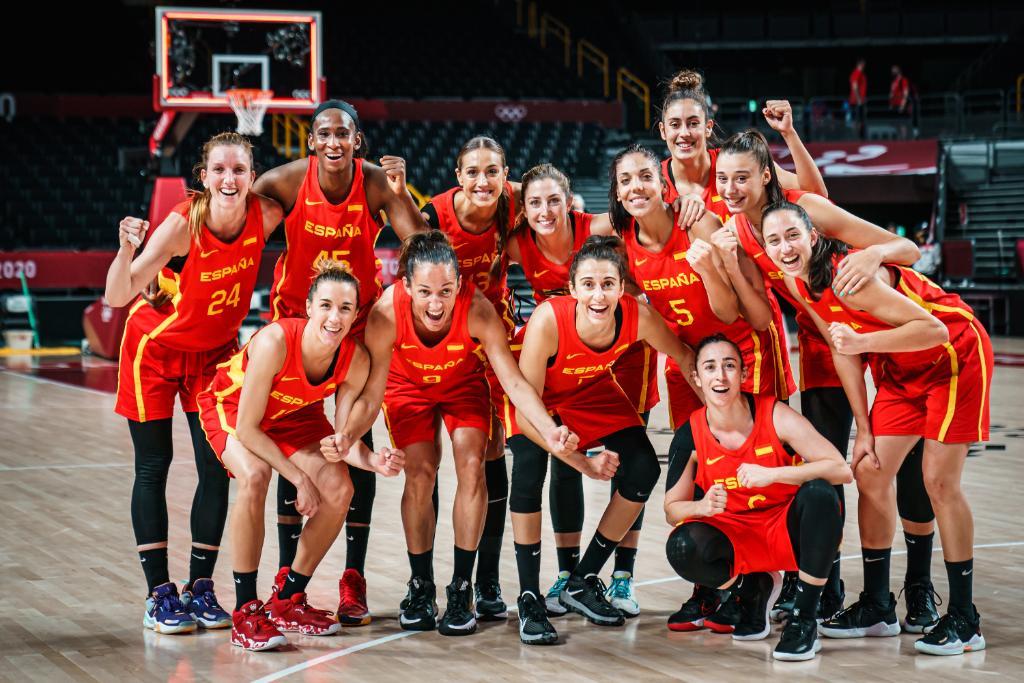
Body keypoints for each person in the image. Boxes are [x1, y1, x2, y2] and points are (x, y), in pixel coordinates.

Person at [714, 129, 939, 631]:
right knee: (829, 462)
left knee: (905, 465)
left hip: (886, 331)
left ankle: (920, 587)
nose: (730, 189)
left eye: (741, 178)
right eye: (723, 179)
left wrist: (875, 254)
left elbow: (909, 250)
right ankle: (825, 582)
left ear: (766, 176)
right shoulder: (740, 232)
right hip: (826, 344)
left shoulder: (807, 210)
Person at [761, 200, 993, 656]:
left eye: (793, 236)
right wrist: (863, 428)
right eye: (773, 240)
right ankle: (877, 604)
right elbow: (841, 350)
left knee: (938, 483)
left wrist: (864, 340)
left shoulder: (853, 280)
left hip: (954, 360)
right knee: (868, 469)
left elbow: (934, 331)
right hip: (901, 370)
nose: (785, 247)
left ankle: (966, 619)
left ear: (813, 237)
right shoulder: (797, 280)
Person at [330, 230, 577, 637]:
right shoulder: (385, 315)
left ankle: (462, 587)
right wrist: (346, 435)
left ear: (459, 285)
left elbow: (514, 384)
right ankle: (421, 584)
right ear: (405, 284)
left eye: (446, 290)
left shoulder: (478, 311)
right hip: (406, 387)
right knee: (421, 472)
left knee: (471, 465)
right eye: (425, 291)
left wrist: (549, 431)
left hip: (462, 384)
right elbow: (371, 396)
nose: (435, 302)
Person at [254, 99, 426, 626]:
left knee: (357, 439)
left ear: (357, 141)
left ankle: (353, 577)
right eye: (324, 133)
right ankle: (290, 575)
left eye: (343, 134)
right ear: (311, 141)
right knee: (298, 442)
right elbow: (238, 236)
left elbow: (419, 241)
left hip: (356, 322)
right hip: (298, 324)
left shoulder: (374, 183)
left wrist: (401, 196)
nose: (333, 141)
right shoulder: (282, 182)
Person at [105, 131, 283, 634]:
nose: (230, 179)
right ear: (203, 178)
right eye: (220, 170)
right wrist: (124, 250)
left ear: (252, 177)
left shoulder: (266, 215)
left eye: (239, 170)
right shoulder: (182, 225)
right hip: (154, 352)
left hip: (214, 358)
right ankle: (159, 593)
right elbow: (119, 295)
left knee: (216, 467)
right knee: (153, 466)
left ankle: (200, 587)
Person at [197, 261, 405, 651]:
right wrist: (298, 477)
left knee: (341, 489)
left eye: (345, 308)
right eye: (326, 305)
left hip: (295, 415)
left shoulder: (355, 360)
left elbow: (340, 439)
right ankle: (245, 611)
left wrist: (375, 461)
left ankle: (287, 598)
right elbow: (248, 429)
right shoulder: (276, 341)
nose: (334, 317)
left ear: (356, 313)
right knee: (256, 476)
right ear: (308, 306)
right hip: (235, 409)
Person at [510, 235, 700, 644]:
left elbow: (683, 353)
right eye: (590, 285)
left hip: (591, 388)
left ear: (621, 286)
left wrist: (715, 407)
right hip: (534, 397)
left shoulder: (637, 315)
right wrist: (580, 459)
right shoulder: (548, 319)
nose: (599, 294)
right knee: (528, 470)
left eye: (608, 284)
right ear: (573, 289)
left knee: (644, 467)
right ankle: (529, 598)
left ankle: (581, 580)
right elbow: (526, 410)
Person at [506, 163, 658, 617]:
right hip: (561, 355)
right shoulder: (517, 242)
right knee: (564, 462)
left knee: (636, 464)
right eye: (535, 201)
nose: (546, 210)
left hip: (624, 352)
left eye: (555, 200)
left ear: (571, 203)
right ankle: (567, 577)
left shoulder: (596, 227)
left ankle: (622, 577)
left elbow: (645, 210)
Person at [664, 334, 852, 661]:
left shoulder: (775, 414)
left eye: (729, 366)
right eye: (710, 367)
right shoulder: (690, 433)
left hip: (783, 529)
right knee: (682, 545)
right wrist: (701, 506)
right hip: (736, 535)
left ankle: (803, 619)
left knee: (822, 494)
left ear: (743, 374)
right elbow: (671, 508)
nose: (720, 376)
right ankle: (753, 587)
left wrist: (775, 475)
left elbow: (841, 470)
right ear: (697, 377)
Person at [420, 136, 519, 619]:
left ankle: (487, 579)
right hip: (440, 333)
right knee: (428, 464)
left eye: (493, 171)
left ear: (505, 175)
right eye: (473, 171)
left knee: (489, 455)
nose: (484, 180)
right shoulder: (434, 215)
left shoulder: (514, 202)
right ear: (458, 176)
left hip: (488, 332)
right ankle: (426, 581)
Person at [889, 65, 914, 139]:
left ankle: (904, 139)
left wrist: (902, 105)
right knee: (896, 123)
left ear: (898, 70)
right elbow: (892, 93)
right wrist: (891, 103)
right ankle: (899, 137)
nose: (892, 72)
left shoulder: (903, 80)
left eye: (894, 70)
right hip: (895, 105)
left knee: (903, 123)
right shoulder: (894, 82)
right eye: (892, 70)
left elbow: (905, 92)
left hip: (901, 105)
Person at [849, 58, 867, 139]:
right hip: (856, 102)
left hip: (858, 101)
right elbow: (855, 86)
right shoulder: (857, 73)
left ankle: (858, 136)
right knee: (858, 121)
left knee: (860, 120)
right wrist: (859, 99)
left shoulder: (860, 74)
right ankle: (857, 137)